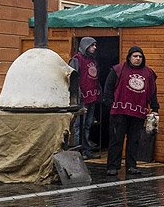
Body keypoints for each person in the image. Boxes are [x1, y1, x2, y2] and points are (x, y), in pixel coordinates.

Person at [102, 46, 158, 177]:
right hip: (119, 111)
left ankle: (131, 166)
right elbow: (108, 88)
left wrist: (155, 108)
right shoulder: (118, 69)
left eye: (140, 57)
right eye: (135, 56)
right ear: (129, 57)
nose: (138, 59)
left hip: (138, 112)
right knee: (117, 140)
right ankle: (113, 166)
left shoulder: (148, 73)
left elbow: (152, 92)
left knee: (134, 140)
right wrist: (110, 105)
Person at [68, 36, 100, 158]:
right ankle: (78, 150)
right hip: (82, 97)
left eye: (95, 45)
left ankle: (86, 149)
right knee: (78, 126)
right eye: (92, 45)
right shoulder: (77, 59)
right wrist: (76, 95)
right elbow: (73, 78)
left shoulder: (94, 61)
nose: (94, 47)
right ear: (85, 46)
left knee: (88, 124)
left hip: (92, 96)